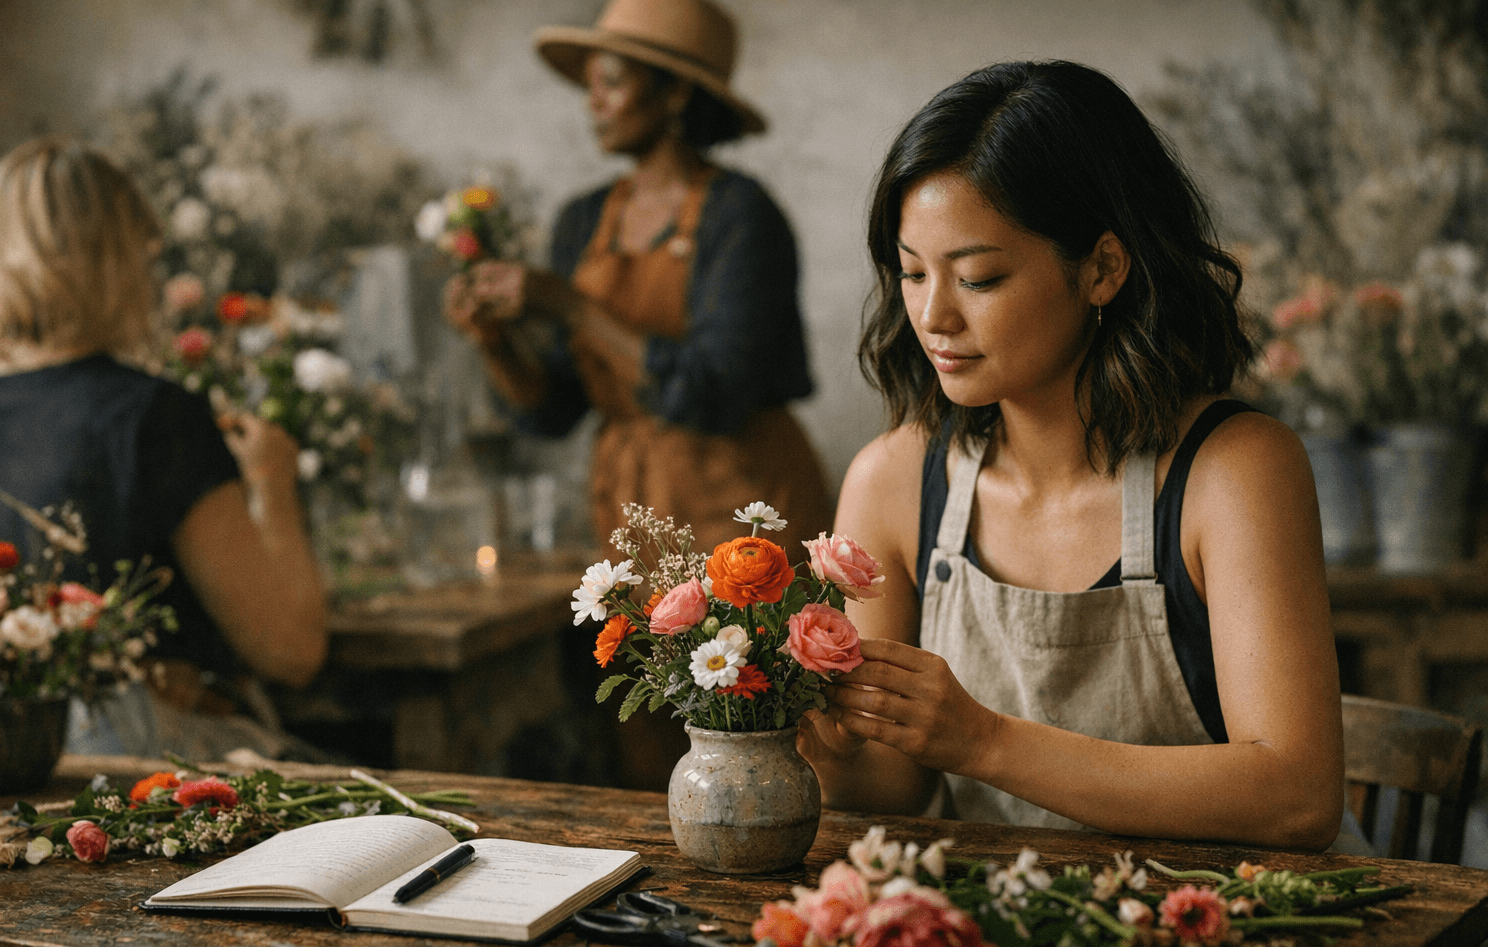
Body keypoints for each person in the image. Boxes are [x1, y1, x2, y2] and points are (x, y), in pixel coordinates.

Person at [797, 61, 1351, 851]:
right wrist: (825, 746)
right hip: (1007, 934)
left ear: (1102, 268)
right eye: (912, 272)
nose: (932, 316)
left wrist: (984, 741)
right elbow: (897, 787)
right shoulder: (892, 480)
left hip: (1231, 926)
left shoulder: (1232, 471)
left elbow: (1297, 798)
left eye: (978, 277)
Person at [445, 0, 834, 788]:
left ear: (675, 95)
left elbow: (716, 391)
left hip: (742, 496)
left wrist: (574, 307)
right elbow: (552, 409)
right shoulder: (585, 219)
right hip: (631, 508)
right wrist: (494, 340)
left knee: (761, 722)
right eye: (590, 82)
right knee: (651, 730)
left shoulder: (741, 215)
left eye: (613, 80)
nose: (593, 99)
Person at [0, 137, 328, 762]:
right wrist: (272, 479)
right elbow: (291, 650)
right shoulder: (151, 416)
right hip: (115, 765)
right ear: (118, 260)